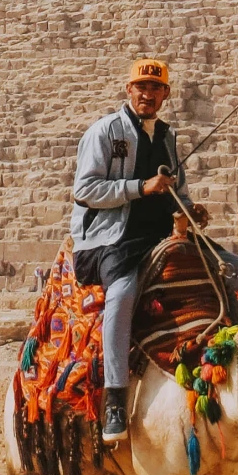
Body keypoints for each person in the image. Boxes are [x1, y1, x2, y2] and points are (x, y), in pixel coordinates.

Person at [71, 56, 180, 444]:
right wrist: (139, 187)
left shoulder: (167, 137)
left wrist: (188, 206)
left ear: (165, 94)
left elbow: (172, 188)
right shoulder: (105, 132)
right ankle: (115, 397)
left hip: (158, 234)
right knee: (122, 294)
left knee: (225, 271)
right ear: (128, 89)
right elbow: (84, 190)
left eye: (155, 88)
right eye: (141, 87)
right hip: (107, 238)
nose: (147, 94)